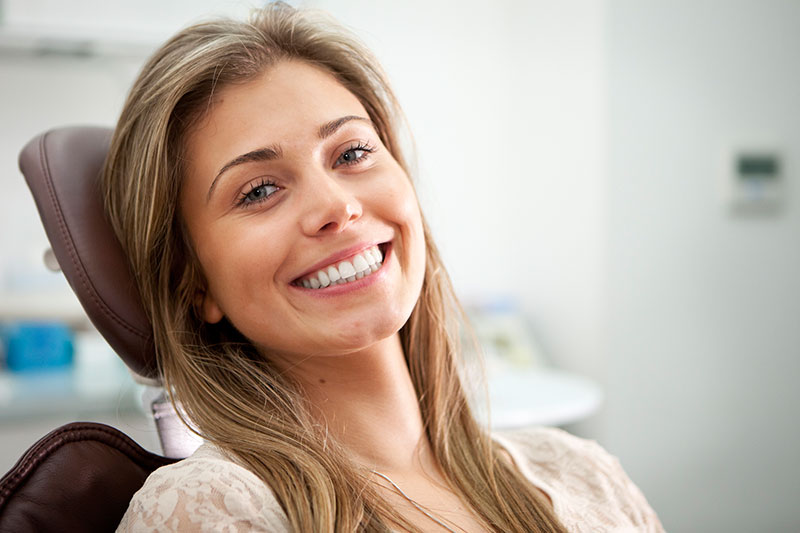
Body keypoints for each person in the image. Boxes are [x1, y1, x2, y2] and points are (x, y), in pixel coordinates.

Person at [105, 3, 663, 532]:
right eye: (260, 190)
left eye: (351, 154)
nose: (337, 208)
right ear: (195, 282)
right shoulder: (210, 510)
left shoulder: (583, 473)